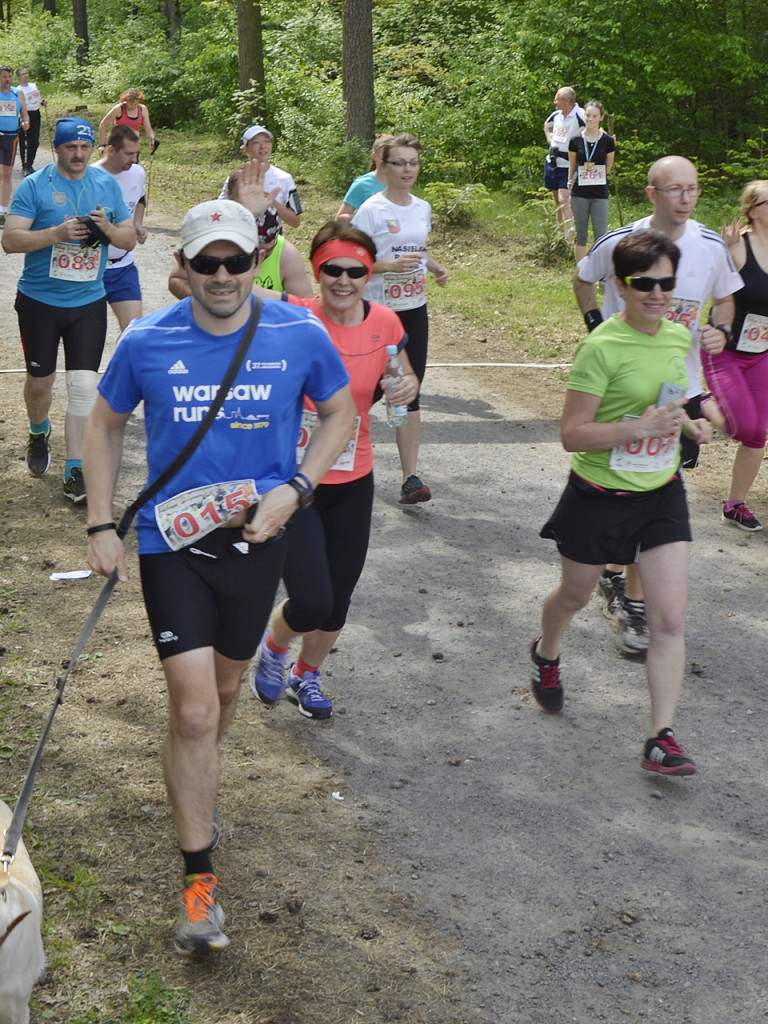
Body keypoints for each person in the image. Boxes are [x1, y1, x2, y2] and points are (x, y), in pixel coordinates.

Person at [83, 199, 355, 954]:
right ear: (185, 269)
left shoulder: (296, 332)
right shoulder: (147, 339)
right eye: (208, 263)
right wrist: (102, 522)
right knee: (197, 709)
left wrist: (298, 487)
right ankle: (199, 886)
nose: (224, 275)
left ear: (253, 259)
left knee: (224, 692)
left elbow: (339, 414)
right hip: (173, 544)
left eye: (236, 260)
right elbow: (104, 424)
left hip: (257, 544)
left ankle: (191, 771)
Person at [532, 229, 712, 776]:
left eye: (667, 283)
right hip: (598, 495)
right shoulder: (601, 346)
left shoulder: (679, 337)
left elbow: (673, 399)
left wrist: (689, 422)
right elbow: (573, 434)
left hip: (661, 492)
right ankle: (545, 653)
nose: (657, 293)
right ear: (620, 284)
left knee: (670, 618)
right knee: (576, 595)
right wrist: (637, 428)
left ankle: (661, 736)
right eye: (644, 283)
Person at [250, 220, 419, 718]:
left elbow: (402, 373)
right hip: (292, 481)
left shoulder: (386, 322)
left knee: (338, 598)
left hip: (353, 477)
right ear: (316, 270)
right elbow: (223, 292)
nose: (343, 281)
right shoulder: (292, 314)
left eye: (355, 271)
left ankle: (307, 676)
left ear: (369, 273)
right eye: (332, 270)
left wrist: (405, 386)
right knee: (312, 599)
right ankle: (276, 648)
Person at [573, 155, 742, 653]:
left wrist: (721, 331)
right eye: (675, 190)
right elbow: (583, 280)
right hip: (618, 387)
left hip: (677, 388)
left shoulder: (711, 247)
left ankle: (634, 601)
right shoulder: (621, 243)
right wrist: (594, 327)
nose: (686, 198)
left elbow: (727, 299)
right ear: (652, 194)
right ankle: (606, 570)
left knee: (656, 488)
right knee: (612, 482)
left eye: (692, 189)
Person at [2, 117, 135, 503]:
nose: (78, 155)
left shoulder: (105, 185)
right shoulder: (35, 185)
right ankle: (38, 430)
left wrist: (106, 229)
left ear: (93, 148)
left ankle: (75, 469)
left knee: (82, 387)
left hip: (88, 302)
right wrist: (55, 235)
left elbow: (128, 238)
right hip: (40, 302)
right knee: (41, 383)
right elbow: (10, 240)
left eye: (84, 147)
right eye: (70, 148)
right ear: (57, 148)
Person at [352, 132, 448, 504]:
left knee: (408, 390)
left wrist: (434, 267)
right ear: (382, 166)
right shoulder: (371, 210)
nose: (408, 170)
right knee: (366, 390)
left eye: (413, 163)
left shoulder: (422, 208)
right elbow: (351, 262)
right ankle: (326, 442)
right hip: (377, 312)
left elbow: (416, 250)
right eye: (400, 163)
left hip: (413, 311)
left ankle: (411, 479)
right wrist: (387, 266)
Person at [703, 181, 768, 532]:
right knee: (738, 425)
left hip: (761, 354)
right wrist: (722, 254)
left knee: (757, 433)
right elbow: (709, 289)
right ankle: (697, 403)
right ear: (754, 210)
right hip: (724, 350)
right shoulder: (737, 247)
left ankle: (735, 504)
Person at [167, 161, 314, 300]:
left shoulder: (283, 249)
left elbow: (306, 306)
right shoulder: (213, 235)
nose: (222, 277)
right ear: (230, 195)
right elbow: (176, 280)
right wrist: (205, 300)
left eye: (239, 262)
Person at [96, 125, 147, 331]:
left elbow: (140, 199)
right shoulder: (91, 176)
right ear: (111, 150)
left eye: (136, 153)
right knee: (91, 336)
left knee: (134, 331)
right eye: (128, 154)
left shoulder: (138, 172)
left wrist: (137, 224)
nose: (134, 159)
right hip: (94, 268)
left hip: (124, 266)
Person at [218, 125, 301, 229]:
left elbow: (296, 222)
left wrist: (273, 203)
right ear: (246, 149)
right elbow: (219, 211)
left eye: (266, 141)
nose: (263, 146)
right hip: (241, 237)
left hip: (271, 242)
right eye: (256, 142)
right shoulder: (237, 177)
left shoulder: (285, 178)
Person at [568, 100, 615, 262]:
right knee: (581, 233)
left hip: (599, 192)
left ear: (601, 117)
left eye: (594, 116)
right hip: (579, 192)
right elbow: (572, 166)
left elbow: (608, 167)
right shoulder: (575, 140)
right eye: (588, 115)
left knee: (601, 234)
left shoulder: (608, 141)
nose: (590, 119)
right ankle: (582, 272)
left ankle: (599, 271)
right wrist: (569, 182)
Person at [543, 87, 584, 243]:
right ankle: (560, 236)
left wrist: (607, 140)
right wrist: (550, 138)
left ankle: (569, 239)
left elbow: (595, 127)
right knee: (557, 201)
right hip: (553, 163)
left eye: (556, 99)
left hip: (569, 164)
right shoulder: (556, 115)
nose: (554, 102)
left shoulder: (580, 115)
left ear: (566, 101)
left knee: (564, 199)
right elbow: (546, 125)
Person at [335, 133, 394, 221]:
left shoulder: (401, 183)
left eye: (393, 159)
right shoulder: (362, 184)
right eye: (384, 159)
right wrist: (366, 220)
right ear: (374, 156)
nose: (388, 163)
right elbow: (340, 218)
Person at [0, 64, 28, 221]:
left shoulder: (17, 93)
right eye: (4, 76)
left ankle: (3, 211)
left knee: (7, 174)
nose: (8, 79)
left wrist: (25, 122)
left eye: (10, 76)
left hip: (12, 137)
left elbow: (24, 114)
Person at [98, 89, 156, 153]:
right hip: (118, 143)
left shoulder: (143, 109)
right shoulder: (118, 109)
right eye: (131, 103)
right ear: (126, 100)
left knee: (133, 162)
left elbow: (148, 129)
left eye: (136, 103)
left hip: (133, 144)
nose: (133, 106)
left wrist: (152, 139)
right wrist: (102, 145)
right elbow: (103, 124)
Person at [15, 66, 45, 176]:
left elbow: (35, 100)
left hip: (36, 113)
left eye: (26, 73)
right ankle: (25, 166)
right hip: (25, 114)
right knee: (25, 141)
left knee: (35, 141)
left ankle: (30, 164)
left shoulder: (33, 85)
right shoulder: (18, 89)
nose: (26, 76)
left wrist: (42, 102)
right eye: (23, 74)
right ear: (18, 77)